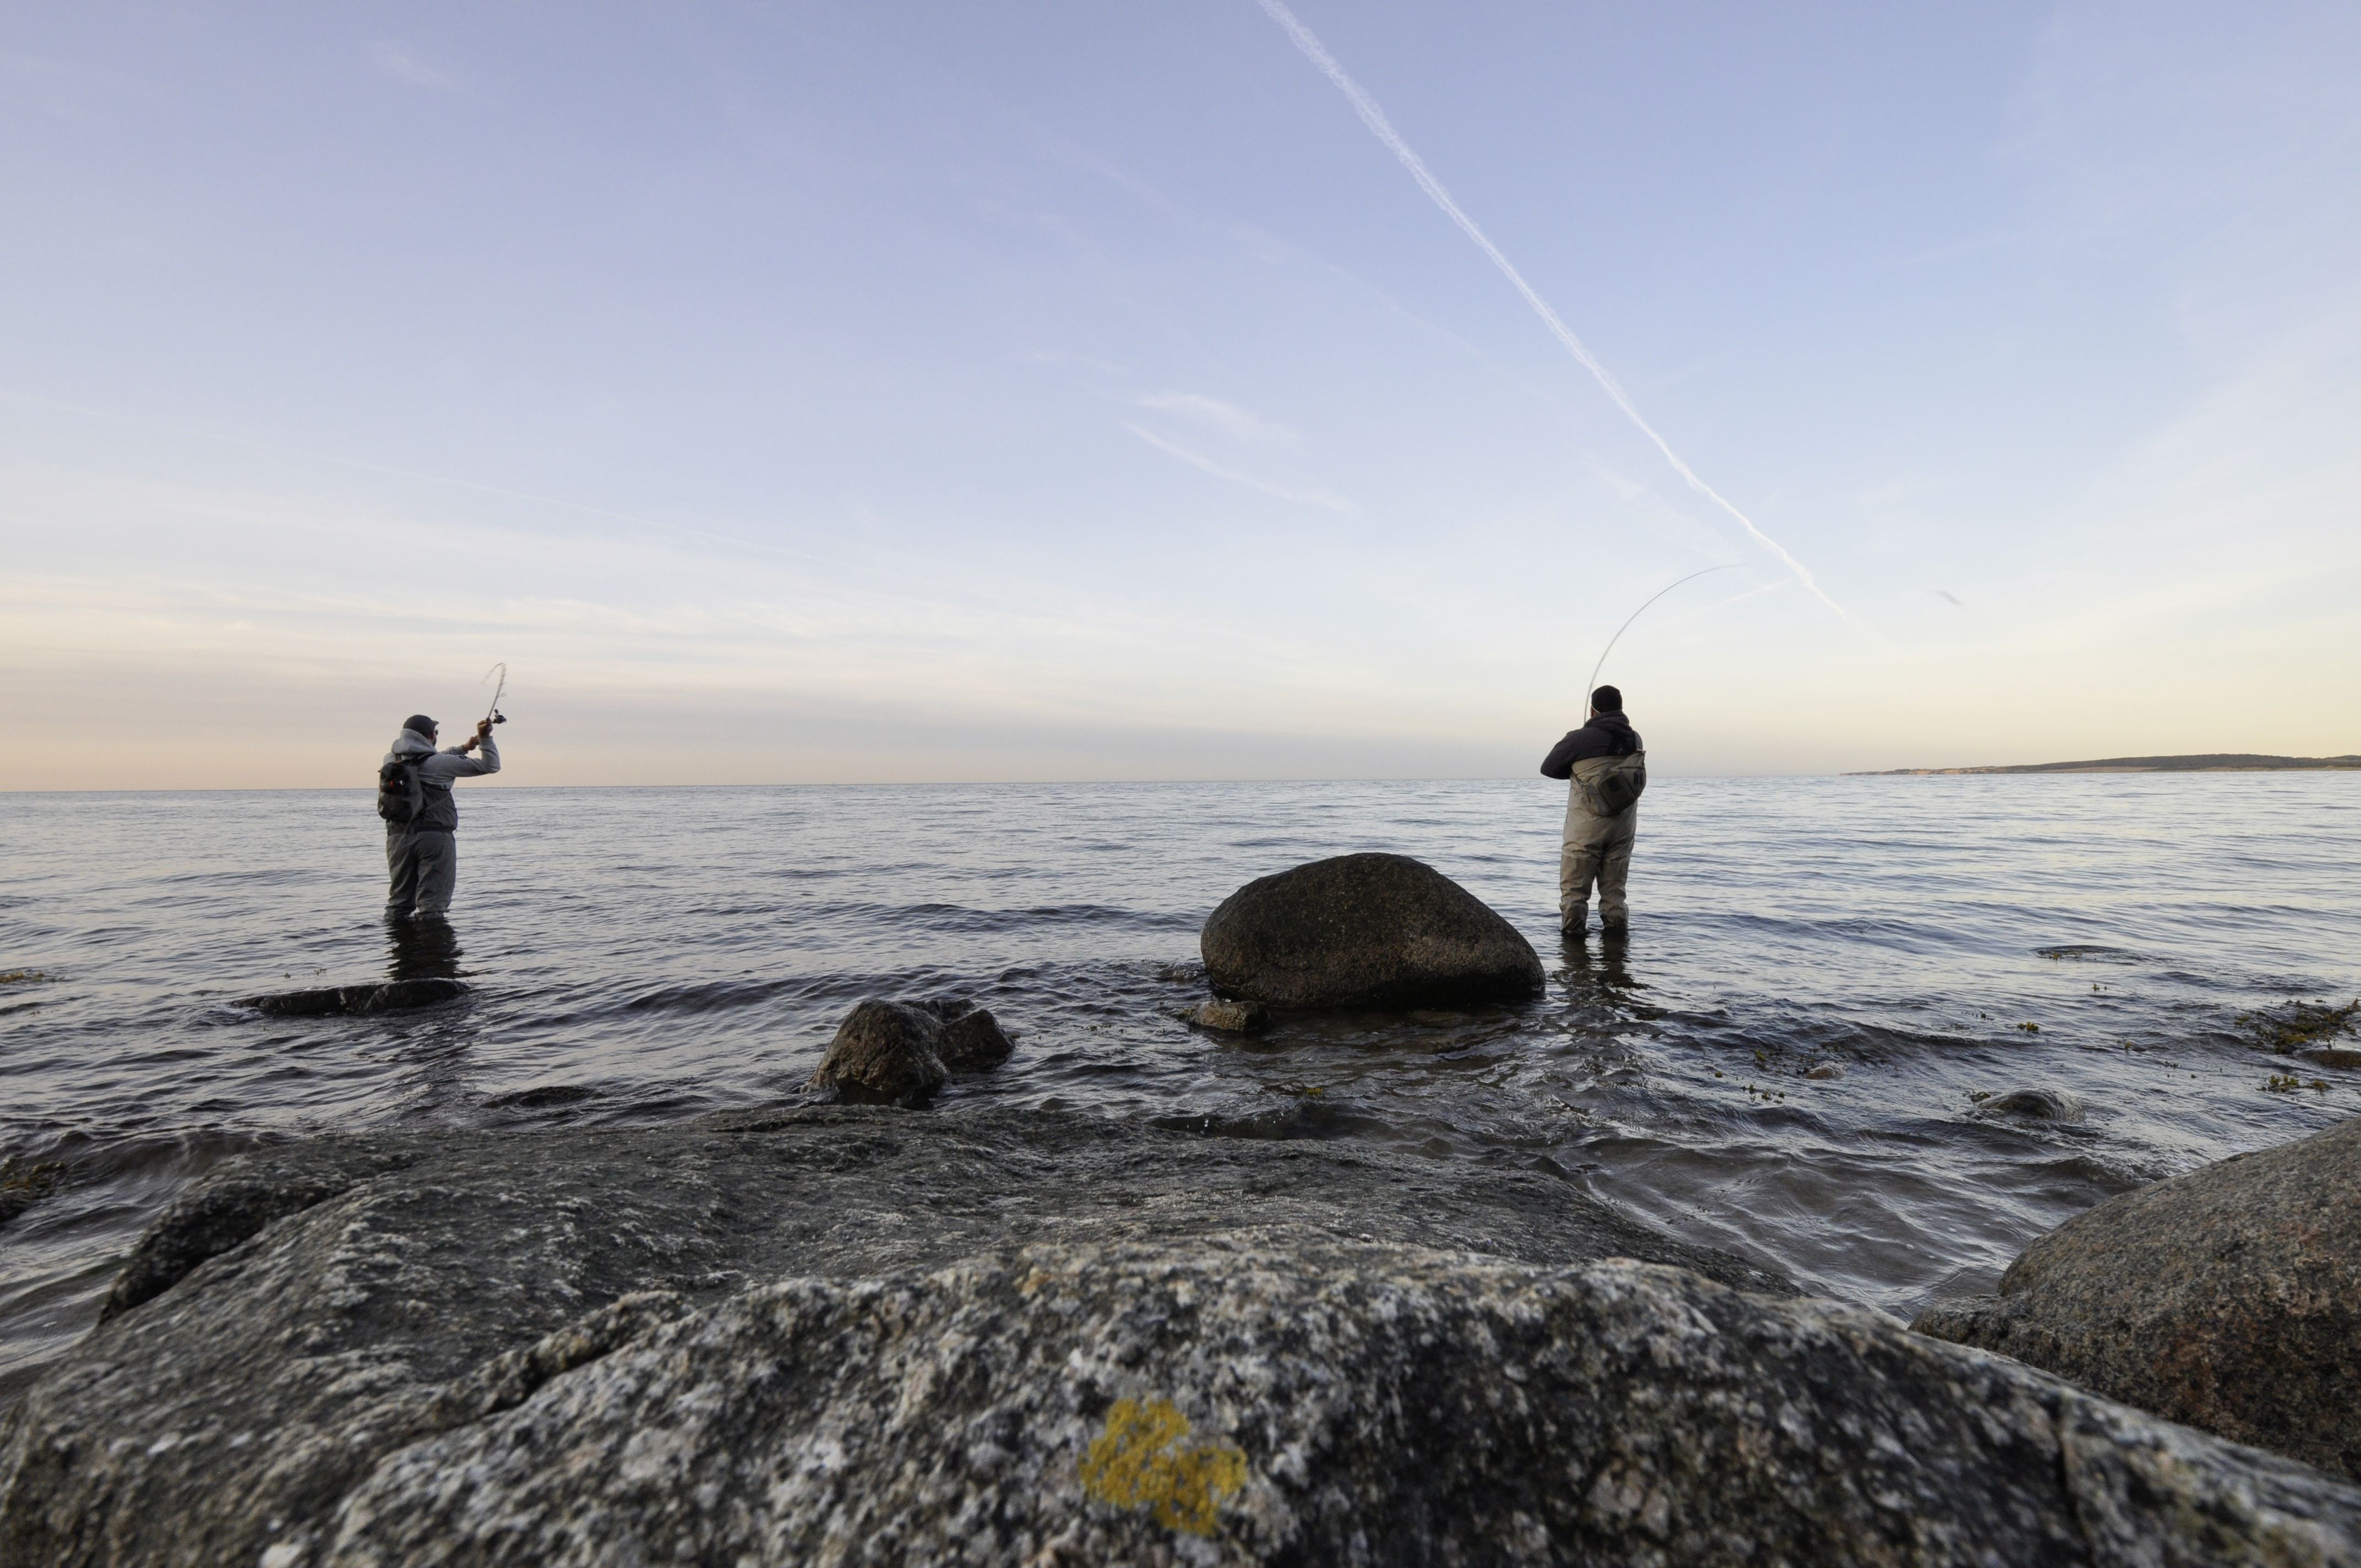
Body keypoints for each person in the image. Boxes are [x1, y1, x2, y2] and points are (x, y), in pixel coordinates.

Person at [1540, 685, 1645, 938]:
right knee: (1615, 895)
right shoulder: (1635, 739)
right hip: (1623, 829)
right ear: (1620, 708)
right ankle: (1617, 952)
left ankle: (1573, 954)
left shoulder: (1579, 738)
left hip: (1586, 829)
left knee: (1574, 894)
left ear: (1592, 711)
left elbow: (1549, 768)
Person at [383, 713, 500, 921]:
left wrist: (463, 748)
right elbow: (491, 765)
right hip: (434, 838)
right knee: (432, 905)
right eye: (435, 733)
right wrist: (485, 739)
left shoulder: (390, 760)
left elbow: (426, 758)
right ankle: (434, 941)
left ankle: (396, 941)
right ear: (430, 736)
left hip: (397, 838)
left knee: (399, 903)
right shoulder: (441, 764)